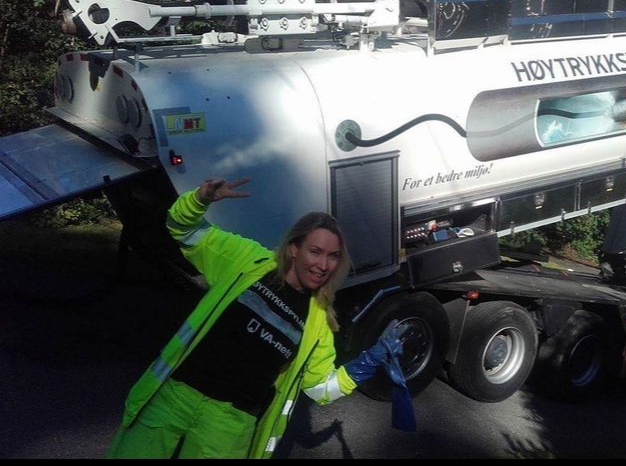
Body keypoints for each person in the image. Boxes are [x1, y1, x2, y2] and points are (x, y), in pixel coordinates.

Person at [108, 177, 407, 459]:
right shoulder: (248, 261)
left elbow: (319, 387)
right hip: (176, 395)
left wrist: (366, 363)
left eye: (333, 256)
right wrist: (199, 200)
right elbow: (183, 229)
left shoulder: (319, 321)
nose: (323, 264)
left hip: (229, 423)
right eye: (315, 251)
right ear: (294, 249)